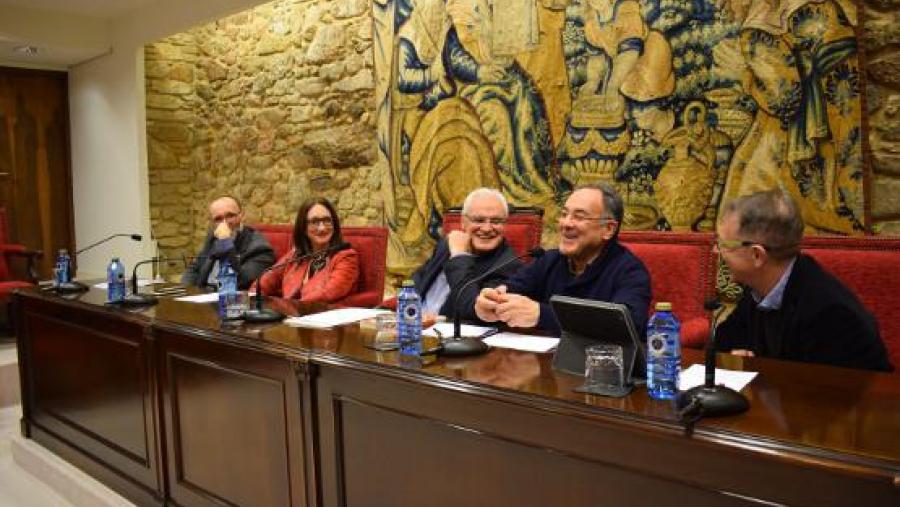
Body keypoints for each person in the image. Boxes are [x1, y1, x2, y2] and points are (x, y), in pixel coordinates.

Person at [714, 190, 892, 372]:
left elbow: (819, 391)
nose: (716, 252)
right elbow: (722, 343)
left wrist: (760, 370)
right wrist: (735, 355)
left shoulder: (831, 315)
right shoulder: (757, 287)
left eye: (725, 246)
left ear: (757, 255)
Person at [474, 183, 651, 335]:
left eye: (579, 217)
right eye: (564, 214)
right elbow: (512, 290)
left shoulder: (629, 270)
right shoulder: (549, 260)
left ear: (608, 229)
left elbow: (625, 326)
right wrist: (490, 302)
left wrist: (542, 316)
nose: (566, 223)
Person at [411, 188, 521, 322]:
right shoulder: (448, 243)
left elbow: (471, 310)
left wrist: (459, 256)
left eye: (496, 221)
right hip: (412, 323)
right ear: (463, 222)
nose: (487, 228)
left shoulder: (508, 266)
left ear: (505, 225)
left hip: (447, 334)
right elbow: (420, 277)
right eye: (479, 220)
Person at [256, 198, 359, 303]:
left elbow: (328, 292)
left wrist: (290, 308)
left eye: (327, 220)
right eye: (314, 222)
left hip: (321, 315)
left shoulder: (346, 257)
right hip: (290, 314)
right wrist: (252, 302)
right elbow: (263, 283)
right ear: (303, 227)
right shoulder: (296, 255)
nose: (322, 228)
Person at [182, 195, 275, 290]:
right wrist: (185, 291)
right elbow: (195, 268)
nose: (224, 223)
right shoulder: (213, 237)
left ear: (242, 215)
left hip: (232, 299)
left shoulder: (259, 247)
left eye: (230, 216)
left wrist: (225, 242)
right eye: (218, 219)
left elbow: (243, 281)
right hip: (202, 294)